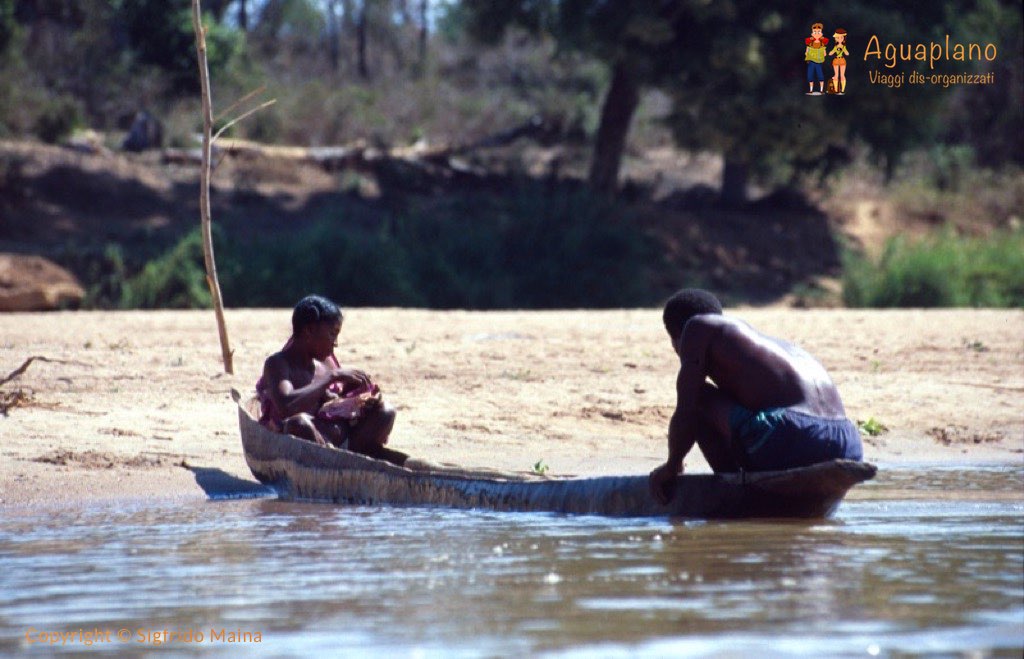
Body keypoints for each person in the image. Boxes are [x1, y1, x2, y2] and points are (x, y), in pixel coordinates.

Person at [649, 289, 862, 504]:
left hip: (796, 435)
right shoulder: (765, 346)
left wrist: (673, 464)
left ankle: (733, 490)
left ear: (676, 335)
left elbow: (687, 409)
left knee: (699, 396)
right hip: (848, 441)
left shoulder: (695, 328)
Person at [257, 294, 407, 465]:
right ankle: (333, 464)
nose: (335, 343)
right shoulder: (278, 364)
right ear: (309, 330)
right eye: (332, 334)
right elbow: (286, 406)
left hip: (344, 439)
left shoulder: (327, 361)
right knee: (299, 423)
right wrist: (331, 377)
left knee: (386, 411)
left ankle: (355, 456)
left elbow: (330, 402)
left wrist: (355, 400)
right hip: (313, 443)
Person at [805, 23, 829, 95]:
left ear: (821, 33)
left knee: (820, 75)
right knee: (810, 75)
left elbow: (824, 53)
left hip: (818, 62)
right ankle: (811, 90)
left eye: (818, 32)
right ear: (812, 33)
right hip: (812, 62)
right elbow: (807, 52)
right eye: (815, 32)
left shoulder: (822, 44)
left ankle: (821, 90)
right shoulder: (810, 43)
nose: (816, 34)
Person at [829, 28, 850, 95]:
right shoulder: (836, 47)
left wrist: (845, 51)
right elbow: (831, 53)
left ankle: (842, 89)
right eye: (838, 37)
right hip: (837, 60)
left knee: (842, 75)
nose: (840, 39)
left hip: (841, 60)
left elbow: (847, 53)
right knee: (836, 75)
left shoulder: (843, 47)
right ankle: (836, 89)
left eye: (841, 37)